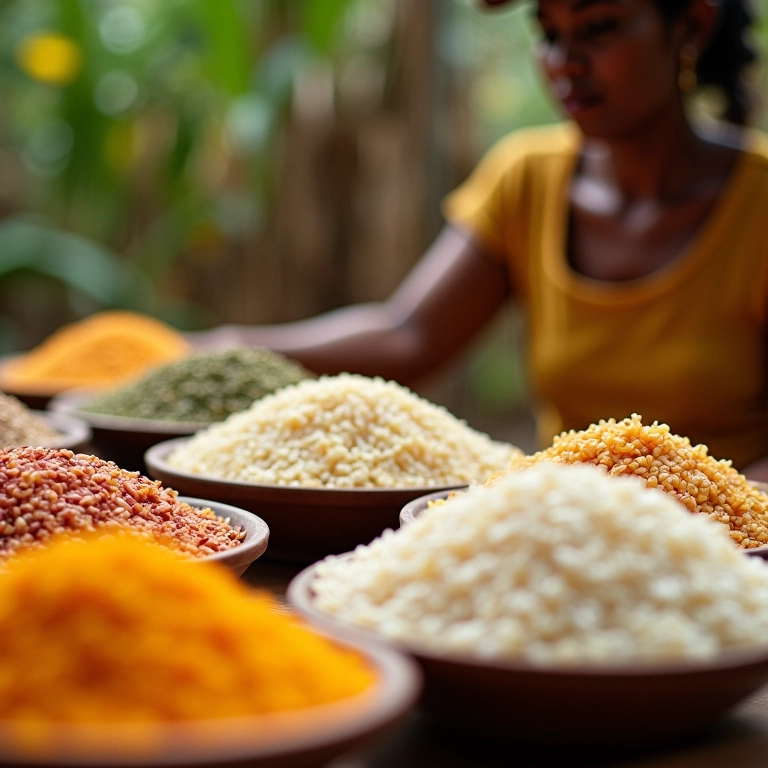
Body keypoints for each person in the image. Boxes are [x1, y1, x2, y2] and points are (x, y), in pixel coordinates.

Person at [189, 0, 768, 479]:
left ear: (690, 24)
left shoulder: (757, 204)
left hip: (733, 554)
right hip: (567, 533)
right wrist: (220, 347)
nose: (565, 62)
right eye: (546, 33)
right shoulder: (528, 180)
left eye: (598, 28)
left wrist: (719, 521)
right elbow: (408, 334)